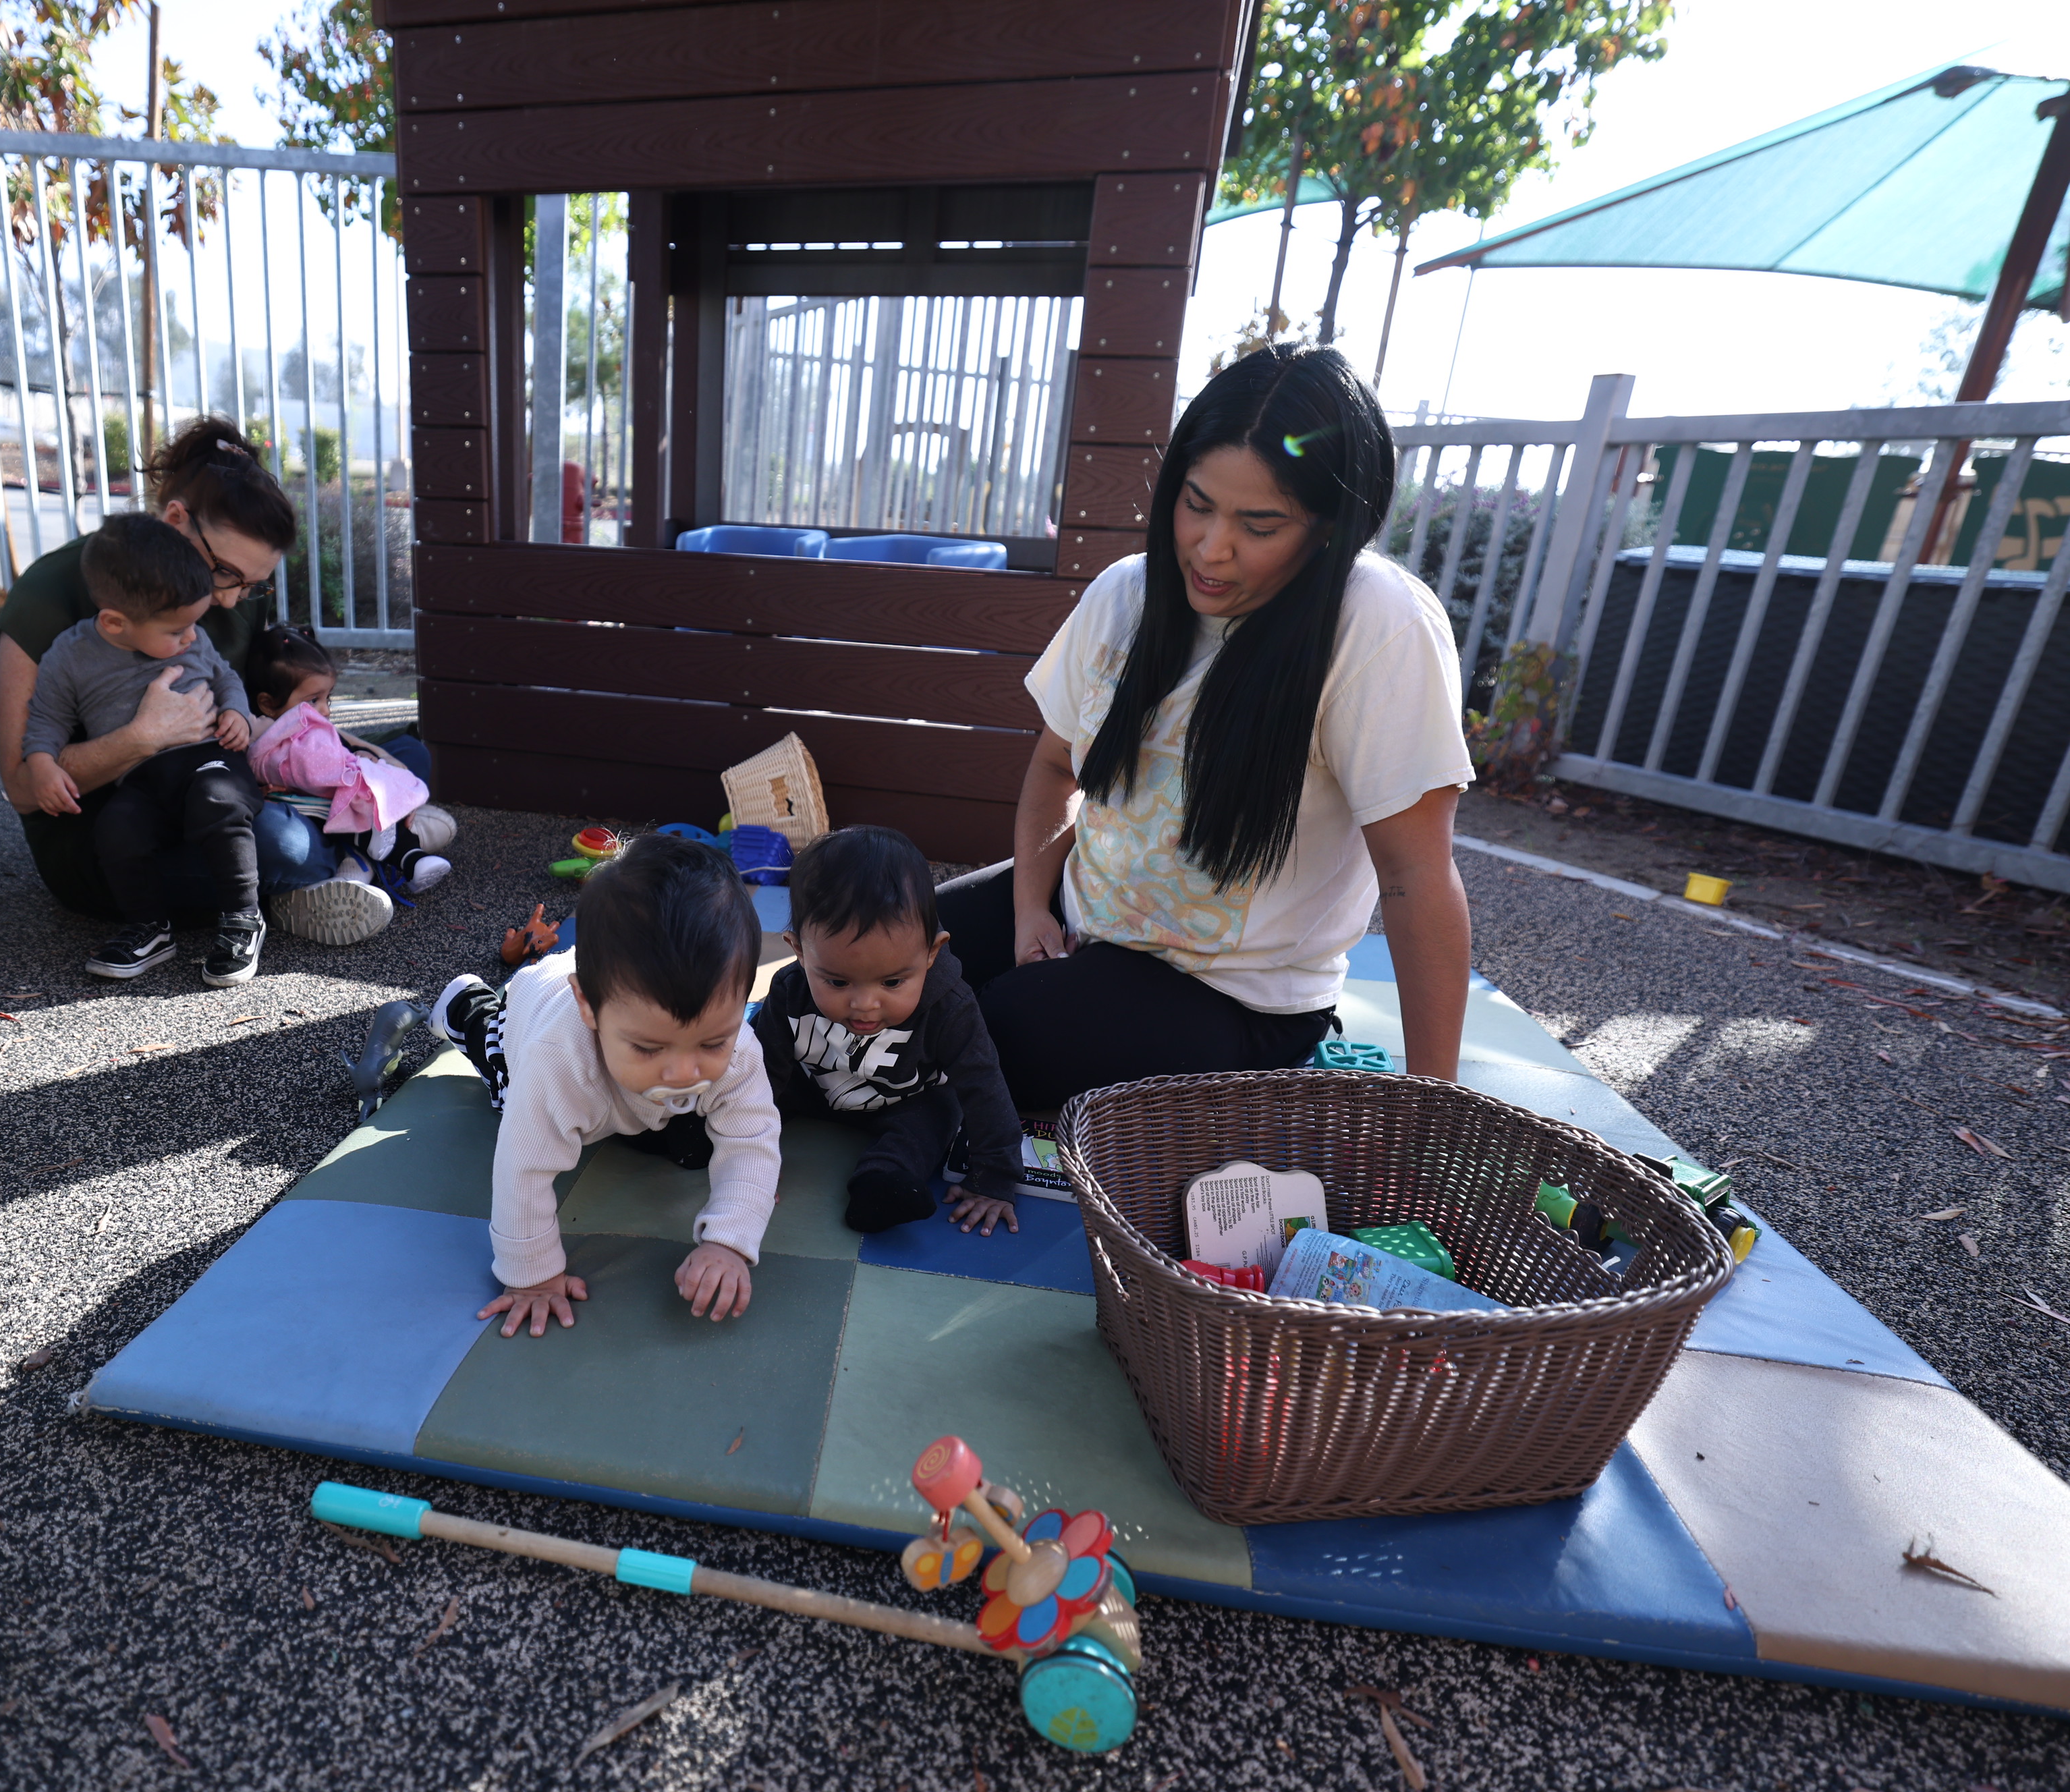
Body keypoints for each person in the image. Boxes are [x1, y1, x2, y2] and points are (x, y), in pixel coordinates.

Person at [936, 343, 1475, 1110]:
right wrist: (1030, 908)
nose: (1211, 549)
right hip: (1079, 912)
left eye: (1259, 524)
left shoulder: (1375, 624)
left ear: (1329, 526)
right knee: (868, 956)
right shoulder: (1129, 593)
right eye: (1196, 504)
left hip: (1231, 996)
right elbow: (1057, 770)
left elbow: (1416, 877)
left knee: (984, 1037)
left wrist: (1434, 1109)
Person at [0, 416, 391, 947]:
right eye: (226, 574)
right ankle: (326, 871)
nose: (230, 599)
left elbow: (251, 712)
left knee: (394, 758)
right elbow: (22, 787)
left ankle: (323, 868)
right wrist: (142, 738)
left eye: (251, 586)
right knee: (282, 846)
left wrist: (344, 748)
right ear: (176, 519)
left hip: (214, 794)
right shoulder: (53, 589)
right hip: (114, 836)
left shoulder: (229, 591)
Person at [413, 833, 782, 1337]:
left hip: (593, 993)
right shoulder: (556, 1060)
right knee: (502, 1084)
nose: (682, 1073)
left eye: (711, 1043)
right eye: (649, 1049)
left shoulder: (736, 1044)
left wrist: (730, 1240)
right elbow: (522, 1172)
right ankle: (465, 1005)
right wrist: (534, 1277)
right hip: (528, 1013)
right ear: (590, 1007)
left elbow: (752, 1139)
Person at [22, 514, 264, 986]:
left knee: (218, 799)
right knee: (116, 827)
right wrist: (42, 763)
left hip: (209, 757)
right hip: (141, 777)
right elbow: (47, 720)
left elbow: (224, 676)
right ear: (115, 622)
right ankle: (150, 928)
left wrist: (236, 711)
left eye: (195, 625)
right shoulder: (68, 657)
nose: (192, 638)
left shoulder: (190, 631)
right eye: (177, 632)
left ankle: (242, 918)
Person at [754, 827, 1026, 1235]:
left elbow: (984, 1087)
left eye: (893, 982)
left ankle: (882, 1183)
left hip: (906, 1099)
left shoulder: (950, 1007)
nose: (865, 1004)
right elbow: (760, 1070)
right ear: (798, 950)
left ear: (932, 953)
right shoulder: (788, 992)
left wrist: (995, 1178)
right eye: (838, 982)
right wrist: (749, 1154)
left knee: (934, 1119)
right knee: (744, 1097)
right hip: (812, 1087)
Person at [240, 625, 456, 895]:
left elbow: (342, 746)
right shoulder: (253, 731)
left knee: (412, 752)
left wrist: (373, 763)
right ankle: (374, 855)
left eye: (327, 698)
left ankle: (368, 856)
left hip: (346, 797)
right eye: (314, 701)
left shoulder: (309, 728)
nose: (326, 710)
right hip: (305, 814)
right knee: (284, 836)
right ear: (268, 704)